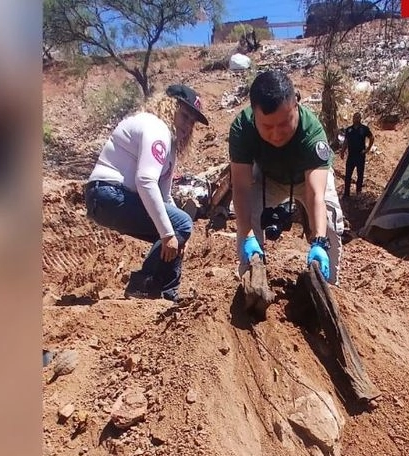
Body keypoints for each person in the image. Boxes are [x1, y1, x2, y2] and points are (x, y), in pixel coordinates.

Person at [85, 84, 209, 301]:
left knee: (179, 226)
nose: (188, 125)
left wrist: (178, 236)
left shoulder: (168, 146)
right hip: (109, 193)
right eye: (185, 115)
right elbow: (145, 180)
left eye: (192, 121)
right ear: (169, 106)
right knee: (180, 225)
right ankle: (142, 285)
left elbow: (164, 197)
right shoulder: (155, 127)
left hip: (108, 198)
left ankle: (164, 294)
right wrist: (171, 233)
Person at [228, 70, 346, 285]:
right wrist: (247, 235)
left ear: (296, 106)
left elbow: (315, 195)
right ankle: (250, 281)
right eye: (267, 126)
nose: (276, 134)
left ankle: (329, 286)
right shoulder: (242, 128)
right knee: (248, 215)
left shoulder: (312, 132)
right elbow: (241, 188)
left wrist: (318, 240)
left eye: (284, 123)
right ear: (254, 115)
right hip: (268, 178)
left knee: (329, 223)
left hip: (306, 179)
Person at [340, 112, 374, 198]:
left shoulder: (364, 129)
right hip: (351, 155)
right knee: (348, 175)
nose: (356, 119)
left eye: (358, 117)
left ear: (360, 119)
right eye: (355, 117)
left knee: (360, 174)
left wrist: (368, 149)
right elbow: (346, 141)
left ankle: (358, 191)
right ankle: (346, 193)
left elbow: (371, 138)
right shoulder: (349, 129)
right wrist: (342, 151)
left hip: (360, 155)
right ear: (353, 118)